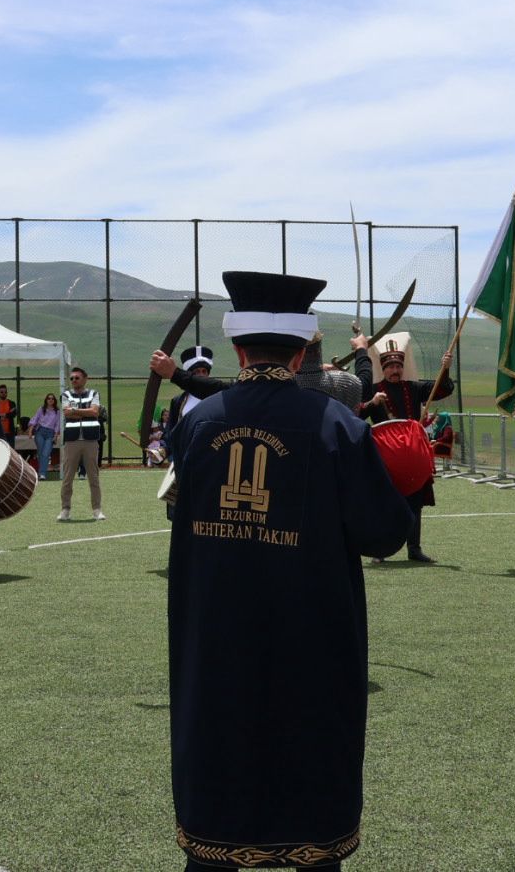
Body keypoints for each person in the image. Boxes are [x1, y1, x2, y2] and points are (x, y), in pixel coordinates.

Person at [165, 270, 410, 872]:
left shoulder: (197, 423)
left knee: (218, 752)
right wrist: (405, 474)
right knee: (311, 756)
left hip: (217, 636)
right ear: (303, 350)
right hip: (312, 639)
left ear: (238, 349)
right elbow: (384, 534)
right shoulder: (337, 426)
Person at [360, 332, 453, 563]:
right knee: (384, 502)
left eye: (398, 366)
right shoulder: (373, 390)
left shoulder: (413, 387)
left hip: (412, 454)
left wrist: (446, 369)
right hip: (386, 456)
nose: (395, 370)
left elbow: (443, 389)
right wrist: (372, 404)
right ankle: (380, 551)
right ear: (383, 368)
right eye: (390, 366)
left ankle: (414, 549)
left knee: (414, 502)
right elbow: (356, 413)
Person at [59, 366, 104, 521]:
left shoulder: (94, 393)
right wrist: (85, 411)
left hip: (90, 440)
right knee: (67, 477)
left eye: (77, 378)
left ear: (85, 379)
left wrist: (75, 411)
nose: (73, 381)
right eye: (71, 378)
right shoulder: (65, 394)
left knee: (93, 477)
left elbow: (95, 412)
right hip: (72, 441)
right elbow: (66, 413)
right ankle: (65, 510)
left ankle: (97, 510)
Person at [29, 393, 61, 479]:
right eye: (49, 398)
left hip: (50, 433)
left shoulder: (57, 412)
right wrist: (30, 430)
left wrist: (56, 435)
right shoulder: (41, 409)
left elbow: (58, 424)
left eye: (52, 399)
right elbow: (35, 419)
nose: (50, 400)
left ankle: (42, 473)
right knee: (40, 452)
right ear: (46, 400)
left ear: (54, 401)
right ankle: (41, 473)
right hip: (40, 432)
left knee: (46, 453)